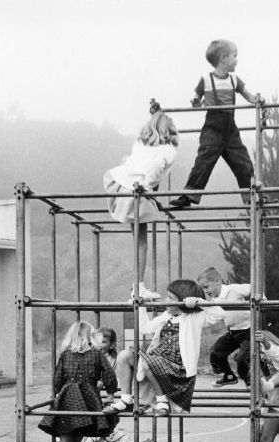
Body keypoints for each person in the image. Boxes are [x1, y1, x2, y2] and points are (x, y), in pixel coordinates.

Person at [104, 279, 225, 416]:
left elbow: (220, 314)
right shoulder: (167, 316)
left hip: (177, 367)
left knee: (147, 362)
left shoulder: (195, 317)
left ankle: (162, 401)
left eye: (171, 298)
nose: (166, 300)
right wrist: (142, 306)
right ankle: (126, 399)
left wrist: (197, 301)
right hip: (156, 361)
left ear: (182, 302)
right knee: (124, 356)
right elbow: (145, 328)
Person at [169, 39, 264, 209]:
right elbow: (196, 98)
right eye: (235, 56)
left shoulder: (234, 80)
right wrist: (196, 102)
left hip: (230, 128)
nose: (237, 60)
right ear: (223, 58)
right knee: (203, 161)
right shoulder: (205, 79)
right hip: (212, 128)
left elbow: (249, 96)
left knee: (243, 162)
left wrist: (258, 100)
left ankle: (252, 195)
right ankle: (189, 195)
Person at [36, 321, 118, 442]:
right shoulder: (97, 354)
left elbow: (57, 378)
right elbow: (110, 376)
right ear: (90, 337)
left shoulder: (66, 355)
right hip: (88, 401)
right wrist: (110, 392)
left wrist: (56, 394)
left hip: (69, 399)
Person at [104, 104, 178, 300]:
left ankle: (138, 285)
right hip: (137, 190)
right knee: (142, 243)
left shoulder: (140, 144)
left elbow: (131, 162)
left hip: (122, 187)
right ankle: (138, 287)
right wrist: (147, 187)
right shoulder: (168, 149)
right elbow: (155, 168)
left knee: (137, 241)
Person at [197, 267, 251, 387]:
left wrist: (259, 298)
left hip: (248, 332)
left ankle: (250, 383)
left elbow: (253, 288)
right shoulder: (215, 301)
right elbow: (213, 317)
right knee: (216, 352)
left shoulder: (234, 289)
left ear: (217, 281)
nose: (206, 291)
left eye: (206, 287)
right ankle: (229, 376)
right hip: (233, 333)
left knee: (242, 360)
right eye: (203, 289)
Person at [97, 326, 118, 404]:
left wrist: (100, 380)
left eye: (103, 342)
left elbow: (109, 374)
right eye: (97, 341)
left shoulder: (111, 358)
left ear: (111, 345)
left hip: (103, 380)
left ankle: (110, 397)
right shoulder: (94, 355)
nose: (99, 345)